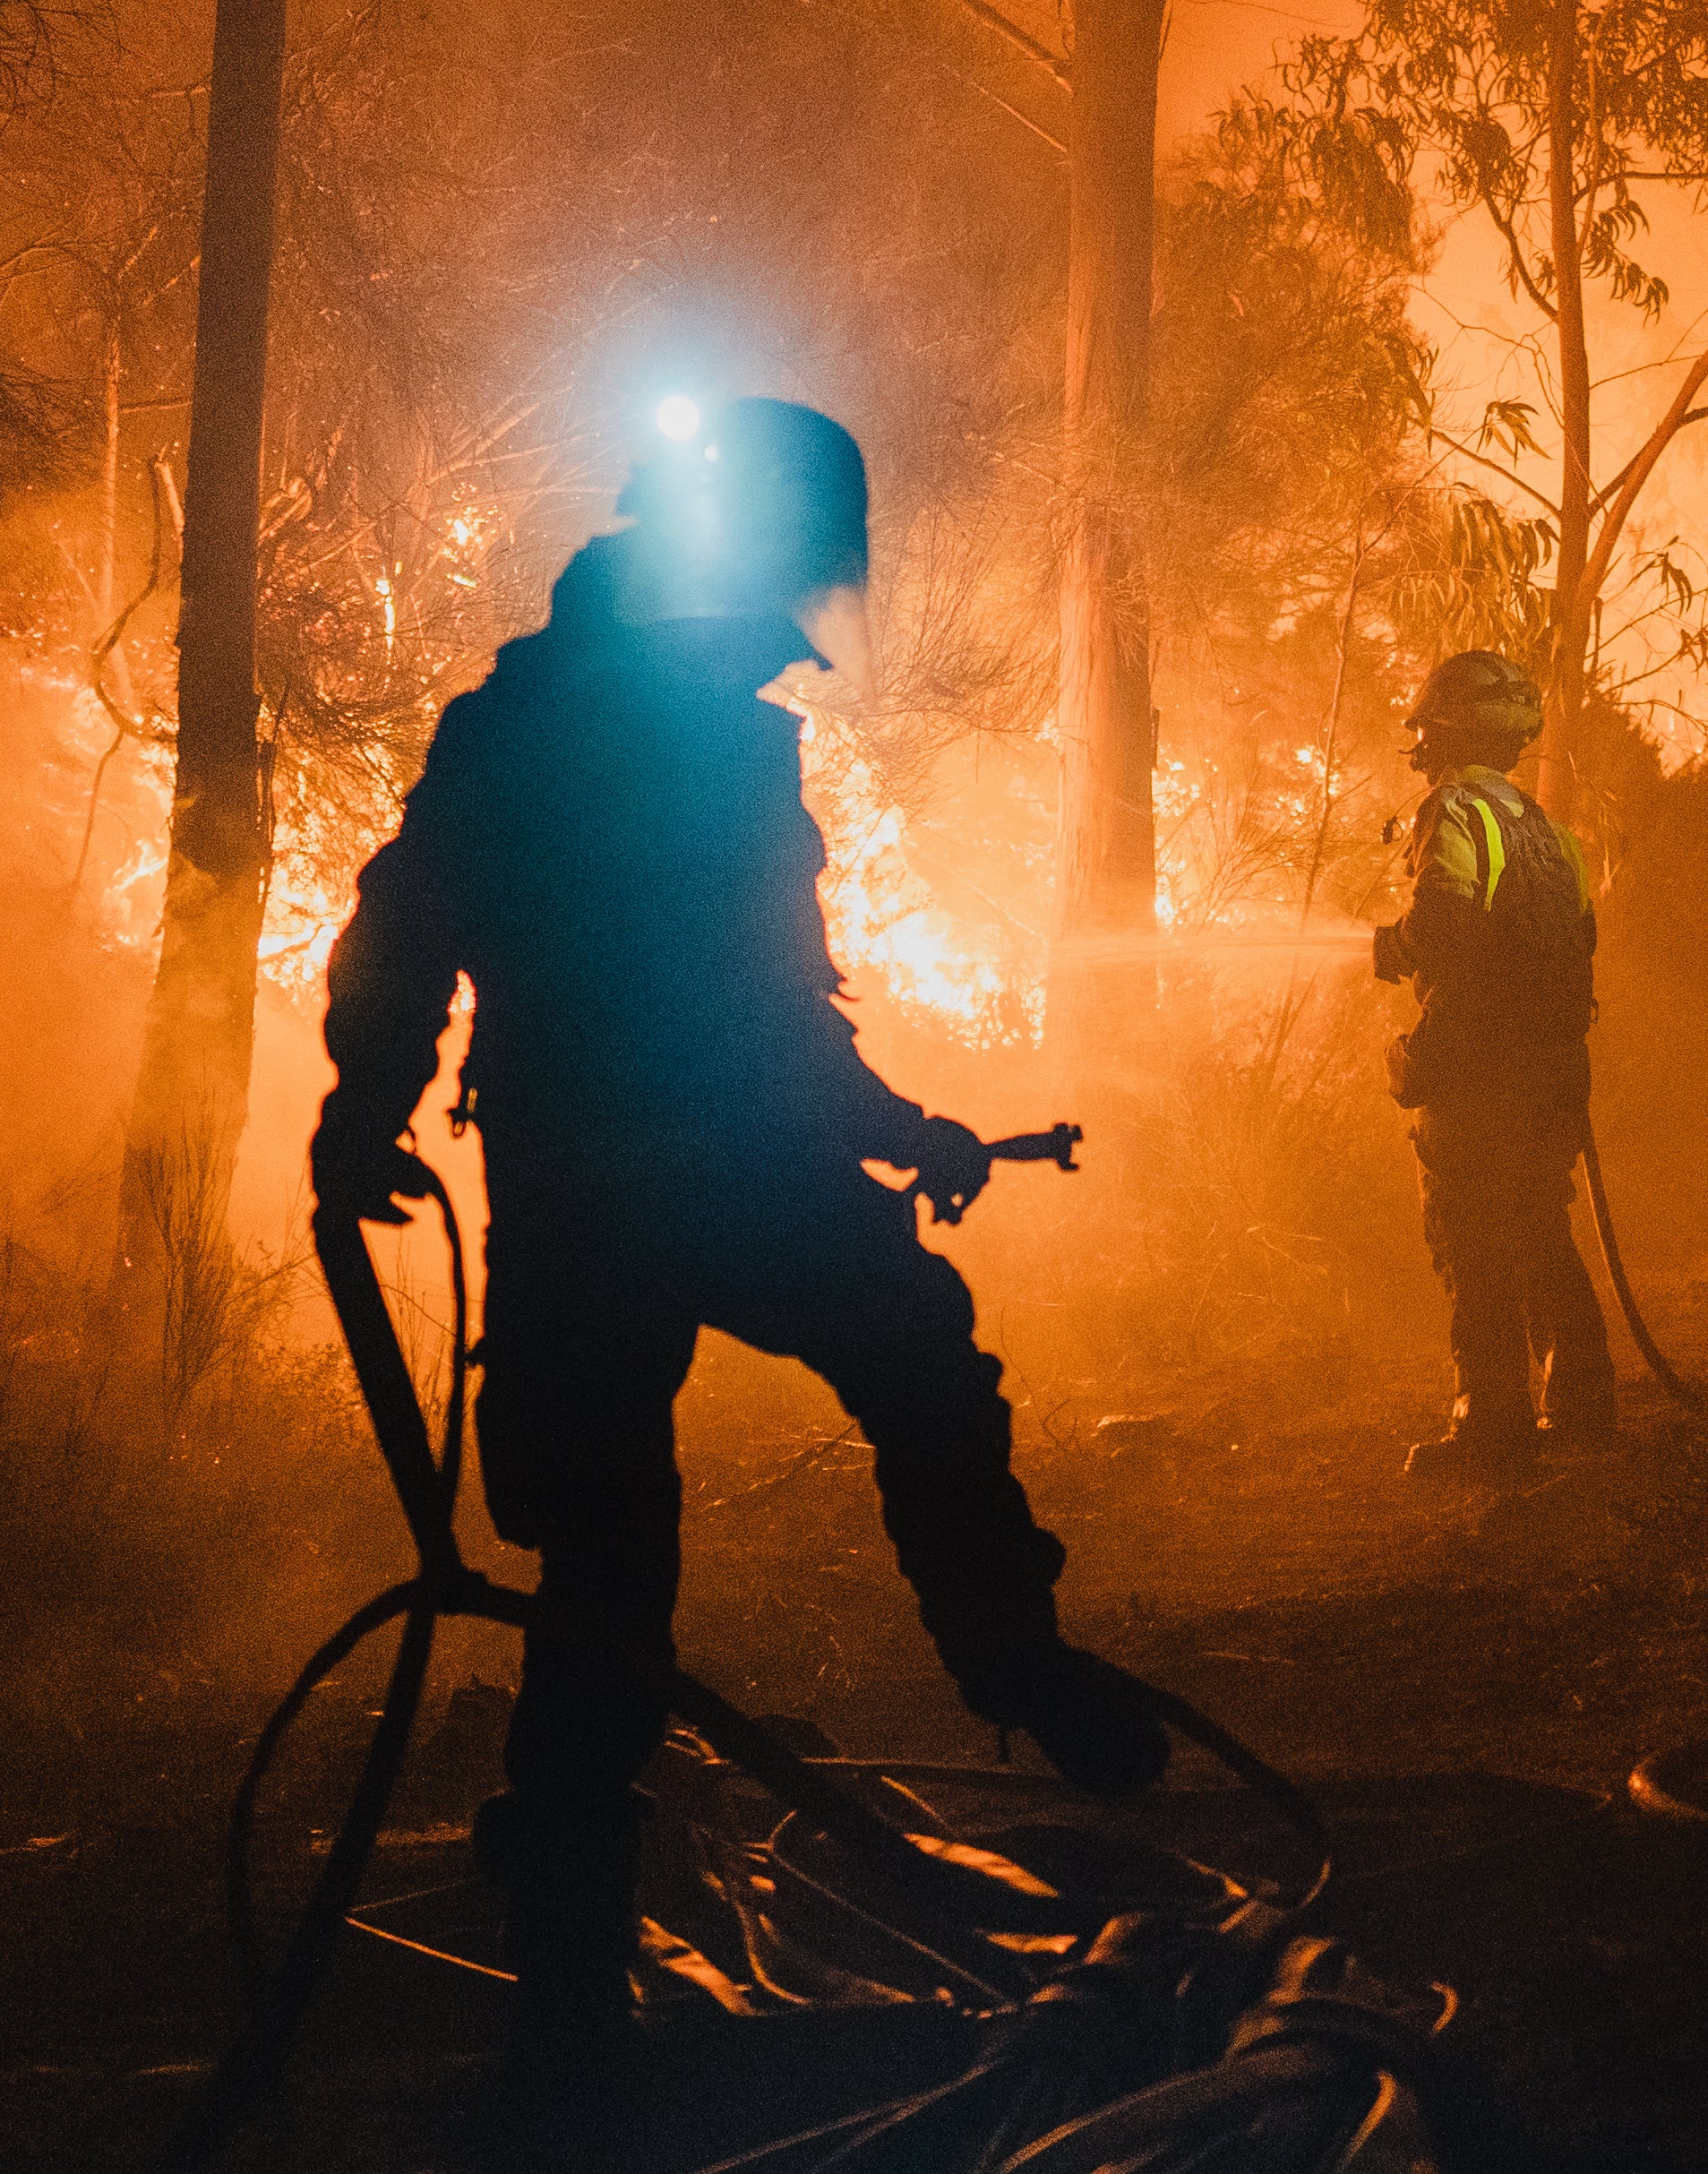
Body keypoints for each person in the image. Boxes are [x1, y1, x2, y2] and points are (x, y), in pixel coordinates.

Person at [308, 397, 1164, 2058]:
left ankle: (978, 1680)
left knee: (708, 1476)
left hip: (643, 1169)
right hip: (639, 1172)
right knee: (659, 1506)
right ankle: (589, 1881)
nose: (795, 639)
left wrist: (899, 1128)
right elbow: (410, 926)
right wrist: (363, 1113)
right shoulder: (548, 727)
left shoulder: (676, 726)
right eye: (787, 589)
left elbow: (772, 1003)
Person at [1368, 649, 1618, 1478]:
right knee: (1539, 1229)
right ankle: (1583, 1407)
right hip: (1552, 1070)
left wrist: (1397, 955)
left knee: (1470, 1236)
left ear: (1442, 730)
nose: (1422, 746)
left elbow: (1450, 931)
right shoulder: (1544, 828)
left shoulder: (1455, 810)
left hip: (1481, 1070)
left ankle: (1493, 1421)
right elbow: (1567, 948)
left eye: (1427, 729)